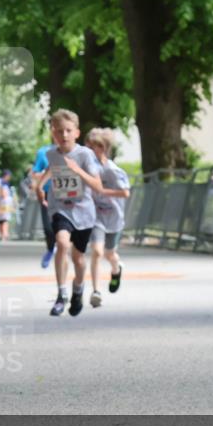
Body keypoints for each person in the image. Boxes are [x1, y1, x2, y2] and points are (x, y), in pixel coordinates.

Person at [34, 109, 103, 317]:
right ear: (53, 133)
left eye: (68, 130)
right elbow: (53, 169)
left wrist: (78, 171)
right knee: (62, 243)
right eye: (58, 131)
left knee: (79, 258)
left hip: (83, 211)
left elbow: (98, 185)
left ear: (76, 133)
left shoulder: (85, 155)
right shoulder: (51, 154)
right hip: (60, 208)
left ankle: (78, 290)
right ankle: (61, 294)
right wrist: (40, 186)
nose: (63, 135)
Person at [85, 129, 130, 308]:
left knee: (109, 254)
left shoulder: (113, 170)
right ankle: (96, 291)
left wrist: (103, 190)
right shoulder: (88, 169)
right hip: (96, 218)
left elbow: (125, 192)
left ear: (102, 148)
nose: (88, 150)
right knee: (96, 251)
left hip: (114, 218)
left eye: (92, 147)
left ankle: (116, 268)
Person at [31, 142, 56, 268]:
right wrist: (46, 175)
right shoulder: (43, 152)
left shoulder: (77, 151)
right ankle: (51, 249)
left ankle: (63, 250)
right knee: (48, 228)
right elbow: (35, 173)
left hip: (67, 196)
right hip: (46, 193)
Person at [0, 169, 16, 241]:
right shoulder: (1, 182)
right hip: (4, 202)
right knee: (4, 219)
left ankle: (4, 234)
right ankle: (4, 234)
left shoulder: (4, 182)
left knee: (3, 219)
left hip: (3, 202)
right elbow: (2, 193)